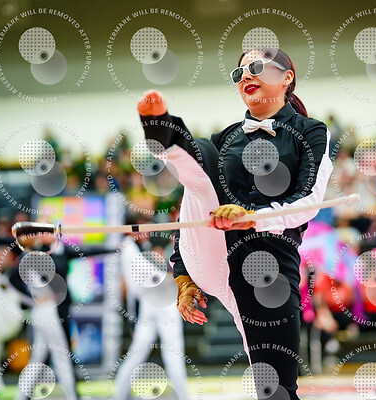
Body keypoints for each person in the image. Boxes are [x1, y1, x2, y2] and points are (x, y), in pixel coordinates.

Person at [137, 48, 332, 399]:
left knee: (277, 389)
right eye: (239, 73)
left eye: (256, 67)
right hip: (214, 252)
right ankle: (166, 135)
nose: (246, 77)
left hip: (268, 267)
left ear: (287, 77)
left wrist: (252, 218)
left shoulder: (311, 131)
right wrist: (183, 277)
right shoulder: (225, 138)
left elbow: (309, 199)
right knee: (202, 164)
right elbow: (191, 210)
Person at [112, 217, 189, 400]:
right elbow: (152, 278)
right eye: (140, 228)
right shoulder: (129, 248)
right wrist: (176, 273)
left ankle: (118, 396)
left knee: (142, 353)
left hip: (152, 303)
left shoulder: (141, 247)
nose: (145, 231)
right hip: (158, 303)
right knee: (171, 352)